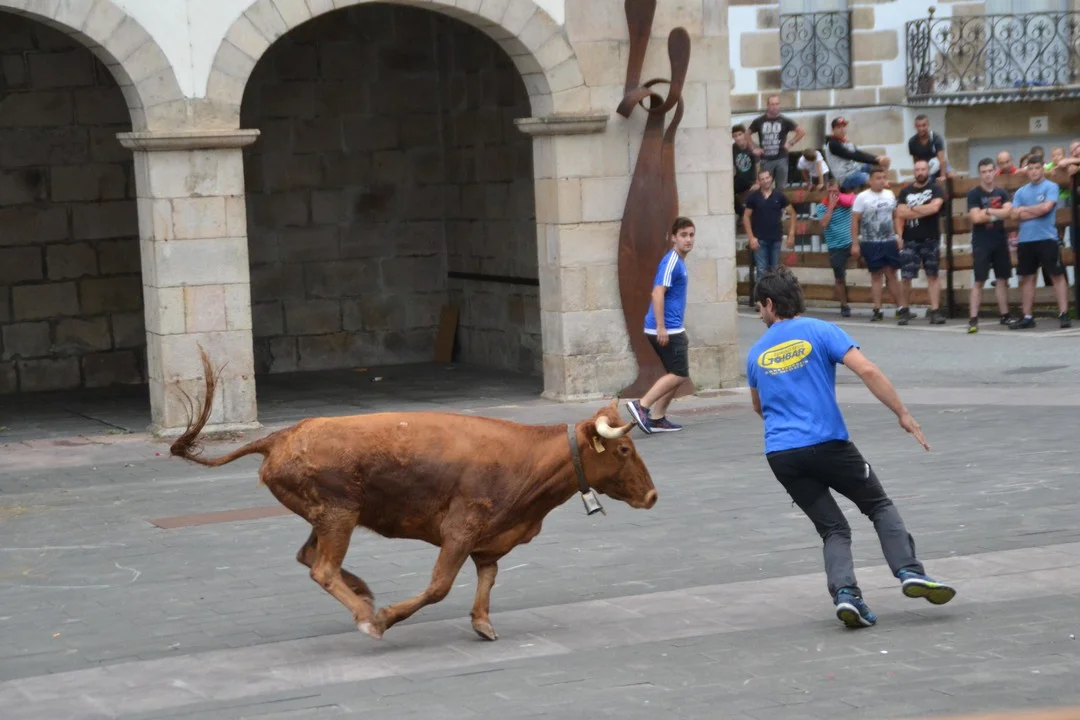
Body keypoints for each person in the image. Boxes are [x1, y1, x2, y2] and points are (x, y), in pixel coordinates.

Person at [747, 266, 956, 629]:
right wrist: (902, 414)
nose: (759, 315)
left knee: (833, 528)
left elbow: (758, 407)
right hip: (829, 444)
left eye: (759, 309)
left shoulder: (755, 354)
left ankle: (846, 595)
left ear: (770, 303)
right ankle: (909, 571)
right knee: (878, 505)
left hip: (782, 454)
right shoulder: (822, 330)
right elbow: (868, 371)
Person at [626, 217, 696, 434]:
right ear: (673, 238)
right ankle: (642, 405)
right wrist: (661, 327)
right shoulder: (671, 261)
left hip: (672, 327)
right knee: (679, 374)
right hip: (667, 328)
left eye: (691, 235)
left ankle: (657, 418)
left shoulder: (679, 261)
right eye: (683, 235)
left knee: (675, 374)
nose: (688, 240)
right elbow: (657, 293)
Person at [1008, 156, 1072, 330]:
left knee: (1057, 275)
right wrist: (1032, 211)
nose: (1034, 171)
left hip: (1047, 238)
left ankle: (1064, 313)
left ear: (1042, 169)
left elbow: (1046, 208)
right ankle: (1028, 316)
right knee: (1028, 278)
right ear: (1027, 171)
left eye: (1037, 168)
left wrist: (1025, 210)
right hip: (1026, 240)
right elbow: (1014, 214)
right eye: (1031, 168)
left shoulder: (1051, 187)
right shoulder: (1020, 192)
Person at [966, 157, 1015, 333]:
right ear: (980, 174)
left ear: (995, 172)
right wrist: (998, 213)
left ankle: (1005, 315)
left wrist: (987, 211)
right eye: (983, 172)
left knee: (1002, 278)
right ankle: (973, 318)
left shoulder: (1002, 192)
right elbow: (975, 218)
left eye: (989, 171)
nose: (987, 175)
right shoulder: (974, 194)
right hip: (982, 242)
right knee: (979, 280)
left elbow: (1008, 212)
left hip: (999, 240)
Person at [895, 159, 947, 325]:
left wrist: (911, 210)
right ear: (914, 171)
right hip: (910, 239)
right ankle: (904, 310)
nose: (920, 172)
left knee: (933, 274)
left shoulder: (935, 189)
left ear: (928, 171)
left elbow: (935, 208)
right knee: (906, 276)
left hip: (931, 238)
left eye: (923, 169)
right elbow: (900, 213)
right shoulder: (905, 191)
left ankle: (935, 310)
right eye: (917, 170)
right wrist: (923, 210)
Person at [851, 166, 902, 322]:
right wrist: (855, 243)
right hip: (871, 241)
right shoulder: (862, 197)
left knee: (891, 273)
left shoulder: (889, 194)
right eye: (878, 178)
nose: (881, 181)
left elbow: (895, 216)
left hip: (888, 239)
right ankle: (877, 308)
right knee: (876, 274)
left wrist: (899, 236)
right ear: (870, 180)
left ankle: (901, 307)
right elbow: (855, 221)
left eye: (883, 178)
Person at [743, 168, 796, 277]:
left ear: (771, 178)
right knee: (761, 271)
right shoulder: (753, 197)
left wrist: (791, 234)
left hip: (776, 238)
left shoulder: (779, 196)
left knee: (775, 271)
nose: (765, 181)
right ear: (759, 181)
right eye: (762, 179)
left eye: (767, 178)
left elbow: (792, 213)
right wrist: (751, 238)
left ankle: (773, 289)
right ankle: (761, 289)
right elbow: (746, 217)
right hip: (759, 240)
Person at [814, 178, 855, 317]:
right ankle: (844, 305)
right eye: (830, 191)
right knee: (839, 278)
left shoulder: (846, 204)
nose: (833, 194)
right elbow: (823, 223)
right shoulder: (821, 207)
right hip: (835, 246)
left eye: (835, 191)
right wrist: (831, 207)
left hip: (850, 242)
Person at [748, 95, 805, 189]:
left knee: (781, 187)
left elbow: (801, 132)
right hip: (766, 159)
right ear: (768, 105)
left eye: (777, 104)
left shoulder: (785, 120)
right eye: (772, 104)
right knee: (764, 186)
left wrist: (791, 143)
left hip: (781, 158)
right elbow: (747, 133)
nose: (775, 107)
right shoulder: (759, 121)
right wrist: (753, 148)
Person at [824, 117, 891, 192]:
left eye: (844, 127)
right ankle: (884, 185)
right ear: (833, 130)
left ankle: (885, 181)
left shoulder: (845, 142)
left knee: (881, 164)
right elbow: (853, 156)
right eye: (839, 127)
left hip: (857, 169)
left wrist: (877, 158)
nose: (842, 129)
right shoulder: (833, 144)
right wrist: (876, 160)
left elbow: (858, 153)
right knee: (870, 178)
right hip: (846, 176)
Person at [907, 115, 953, 181]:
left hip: (939, 164)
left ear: (928, 125)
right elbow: (916, 161)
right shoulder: (912, 142)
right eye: (919, 126)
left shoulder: (936, 138)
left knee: (952, 175)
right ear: (915, 126)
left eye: (924, 125)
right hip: (925, 167)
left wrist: (942, 175)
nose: (921, 129)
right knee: (925, 181)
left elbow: (942, 160)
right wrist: (918, 173)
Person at [732, 124, 759, 219]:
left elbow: (758, 165)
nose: (738, 138)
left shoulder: (752, 146)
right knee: (727, 190)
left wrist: (757, 182)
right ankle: (742, 214)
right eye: (735, 136)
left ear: (744, 134)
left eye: (740, 134)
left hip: (752, 180)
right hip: (740, 179)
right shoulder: (732, 148)